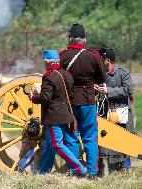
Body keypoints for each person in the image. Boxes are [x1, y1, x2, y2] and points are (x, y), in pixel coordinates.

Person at [60, 23, 106, 179]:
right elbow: (101, 78)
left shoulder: (63, 56)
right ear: (84, 39)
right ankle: (92, 172)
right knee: (90, 137)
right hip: (88, 100)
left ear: (71, 38)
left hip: (70, 101)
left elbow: (58, 77)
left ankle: (76, 171)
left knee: (72, 136)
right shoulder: (93, 55)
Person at [30, 49, 86, 176]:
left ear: (48, 63)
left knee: (57, 145)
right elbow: (70, 95)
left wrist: (33, 97)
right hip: (65, 115)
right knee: (49, 146)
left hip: (53, 117)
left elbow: (45, 97)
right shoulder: (67, 74)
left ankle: (79, 169)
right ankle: (42, 173)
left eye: (45, 62)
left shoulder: (49, 76)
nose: (44, 64)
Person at [95, 47, 134, 176]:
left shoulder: (124, 73)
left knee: (124, 146)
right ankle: (112, 175)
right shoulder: (101, 75)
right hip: (106, 116)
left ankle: (125, 173)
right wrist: (96, 88)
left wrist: (109, 91)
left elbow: (128, 91)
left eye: (102, 60)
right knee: (109, 148)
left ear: (108, 60)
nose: (101, 63)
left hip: (121, 116)